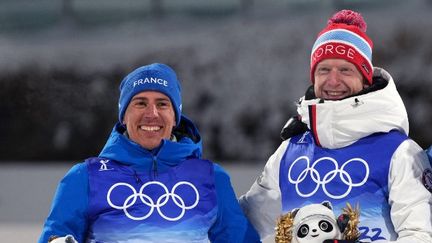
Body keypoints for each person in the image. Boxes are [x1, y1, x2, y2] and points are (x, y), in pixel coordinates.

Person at [239, 10, 432, 243]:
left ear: (365, 79)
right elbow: (247, 224)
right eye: (324, 70)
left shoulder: (400, 152)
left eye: (345, 70)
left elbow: (419, 235)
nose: (333, 80)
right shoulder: (289, 151)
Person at [39, 63, 261, 243]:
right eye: (140, 103)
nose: (151, 114)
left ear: (175, 117)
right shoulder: (85, 177)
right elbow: (53, 237)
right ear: (123, 116)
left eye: (163, 104)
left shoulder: (211, 178)